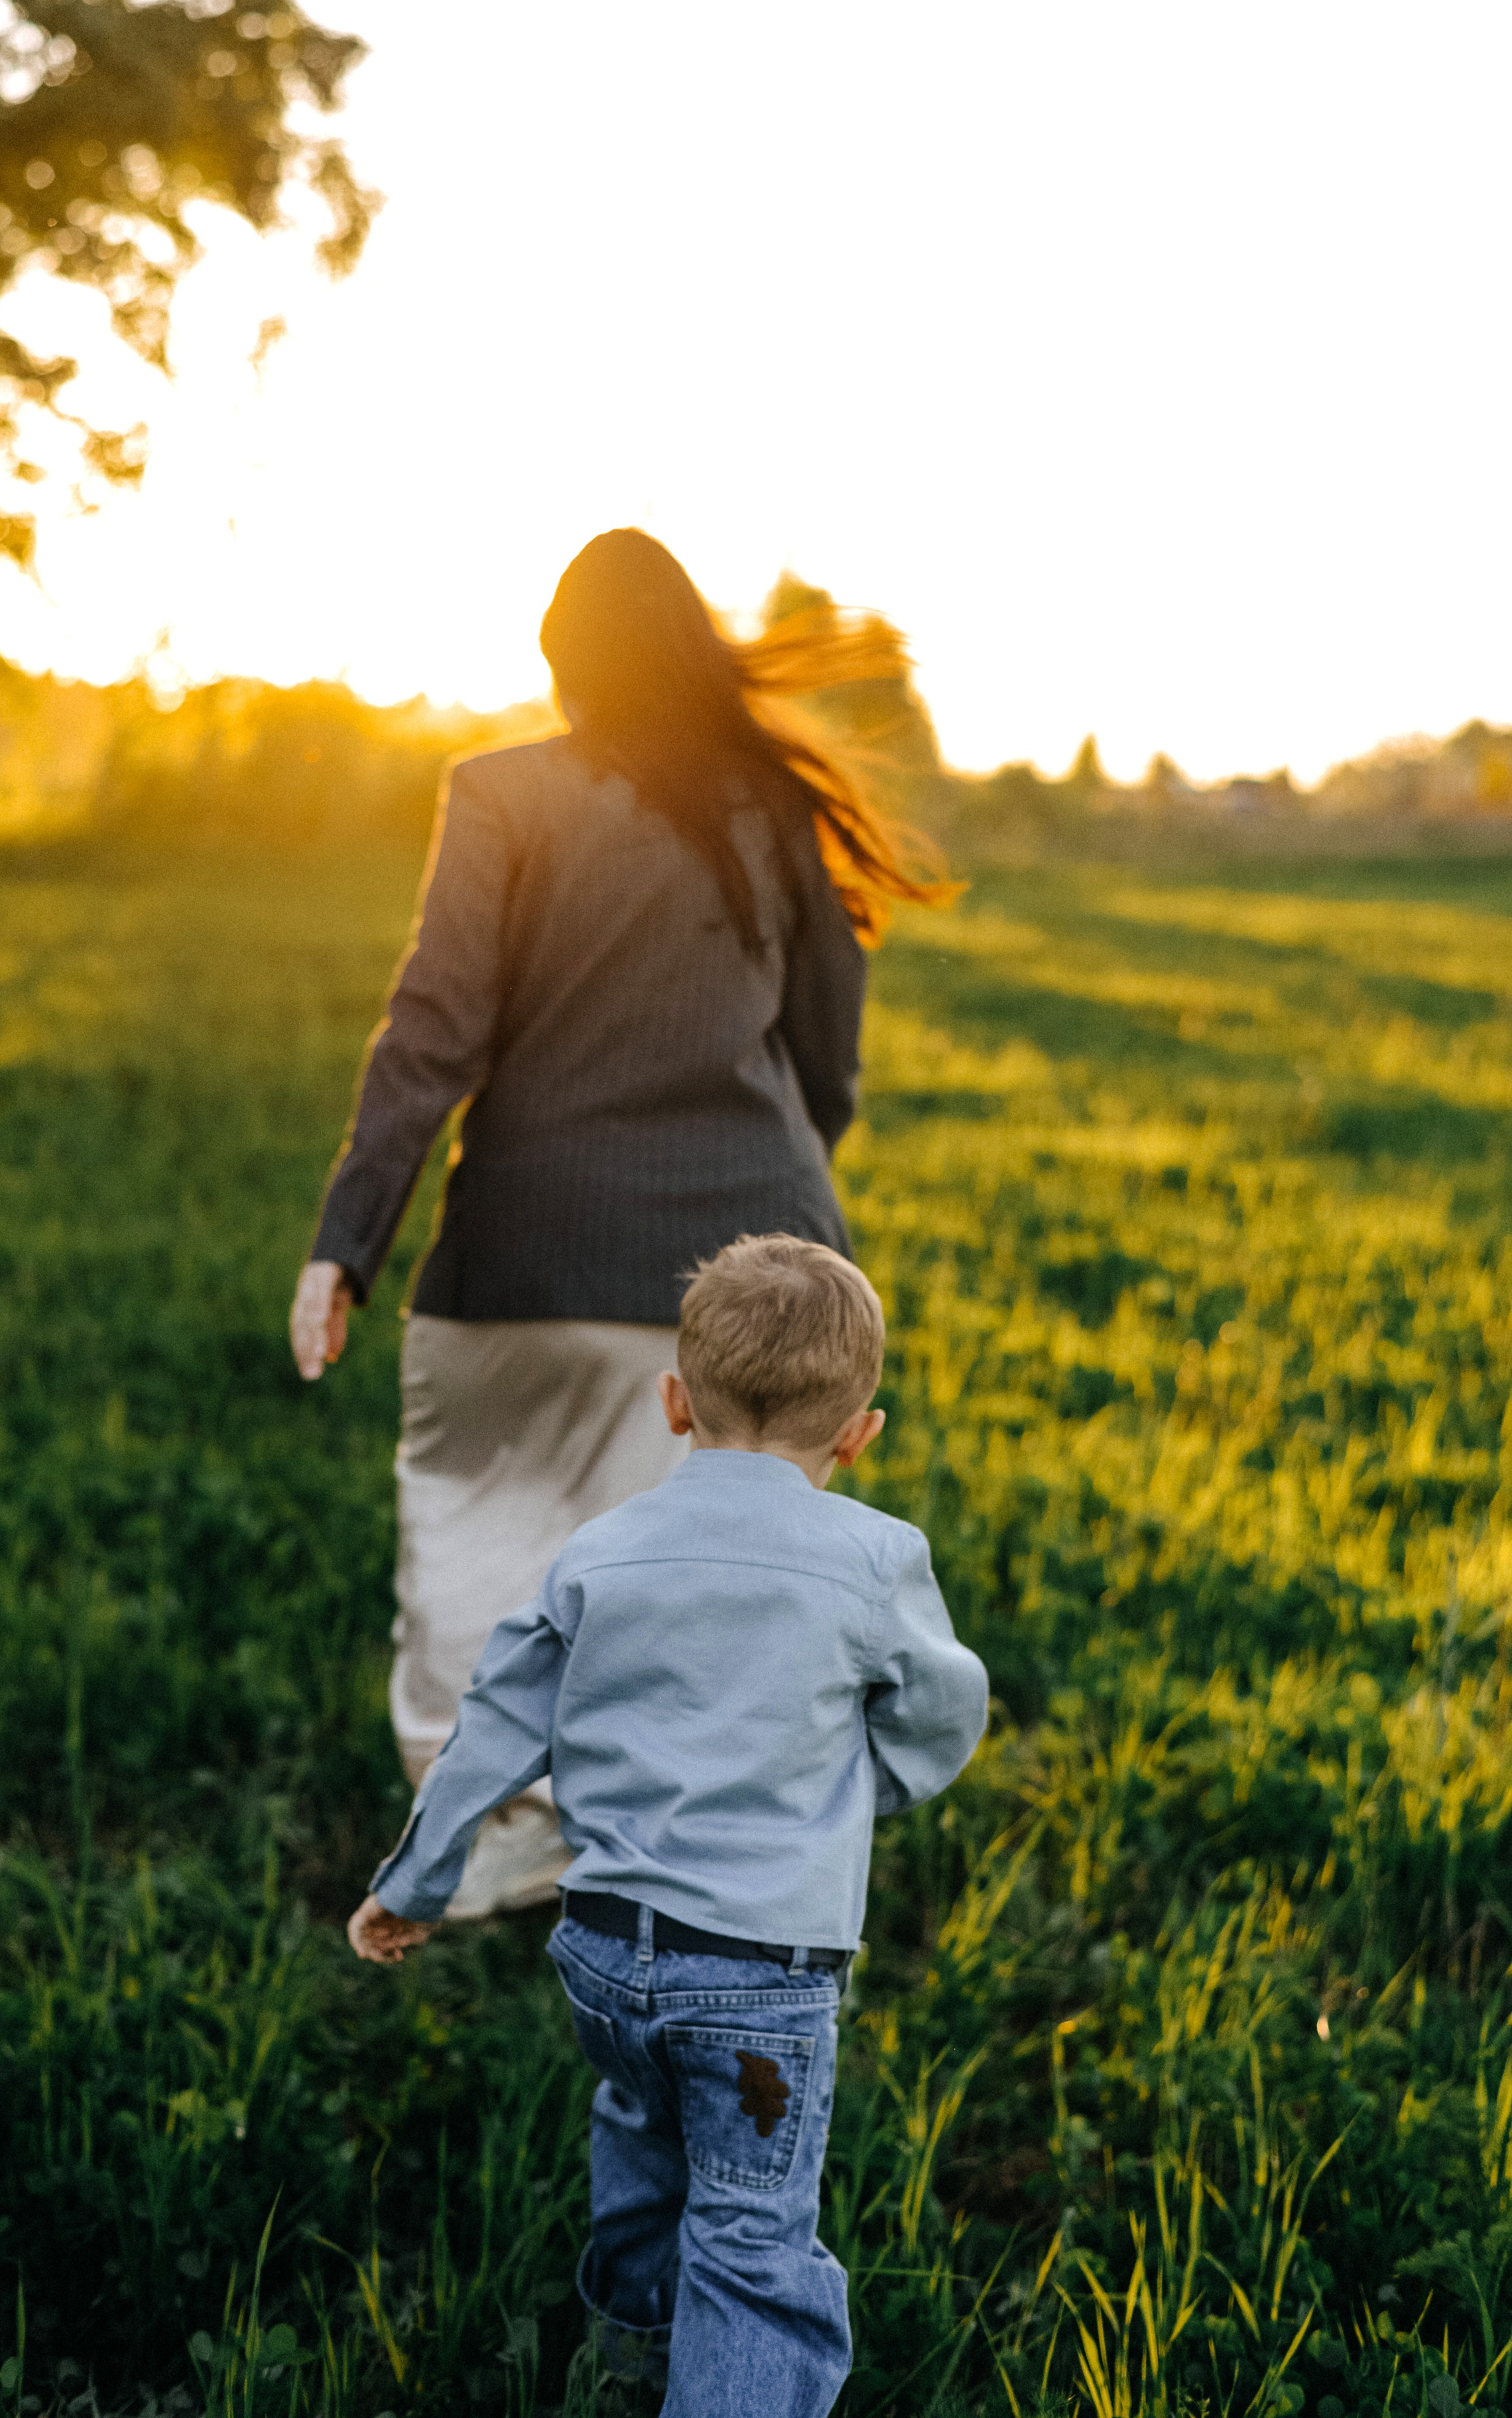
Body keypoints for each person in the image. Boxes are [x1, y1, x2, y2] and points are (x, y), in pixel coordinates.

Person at [290, 528, 948, 1917]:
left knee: (477, 1536)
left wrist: (344, 1242)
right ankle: (704, 1854)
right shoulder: (777, 810)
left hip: (519, 1259)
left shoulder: (500, 793)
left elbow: (431, 1036)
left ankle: (493, 1847)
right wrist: (777, 1214)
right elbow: (824, 1067)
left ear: (561, 668)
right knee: (726, 1589)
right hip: (750, 1281)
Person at [346, 1233, 989, 2417]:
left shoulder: (598, 1554)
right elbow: (946, 1710)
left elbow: (490, 1726)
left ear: (674, 1402)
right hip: (759, 1982)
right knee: (751, 2246)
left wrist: (418, 1882)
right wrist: (862, 1792)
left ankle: (635, 2363)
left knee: (642, 2143)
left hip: (603, 1954)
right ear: (861, 1434)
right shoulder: (874, 1559)